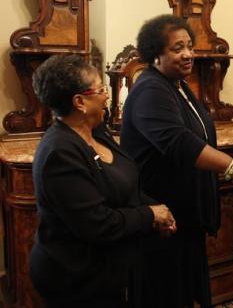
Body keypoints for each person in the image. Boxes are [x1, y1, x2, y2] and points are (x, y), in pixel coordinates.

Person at [120, 14, 233, 308]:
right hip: (164, 221)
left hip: (186, 219)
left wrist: (228, 175)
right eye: (177, 48)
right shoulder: (150, 89)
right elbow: (179, 143)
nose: (187, 54)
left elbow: (201, 143)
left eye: (189, 46)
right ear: (154, 54)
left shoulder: (178, 86)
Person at [29, 54, 176, 308]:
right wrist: (149, 215)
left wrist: (160, 211)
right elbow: (97, 224)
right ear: (80, 102)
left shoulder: (96, 130)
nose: (107, 95)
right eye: (101, 89)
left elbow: (125, 184)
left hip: (111, 271)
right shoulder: (59, 153)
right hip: (76, 279)